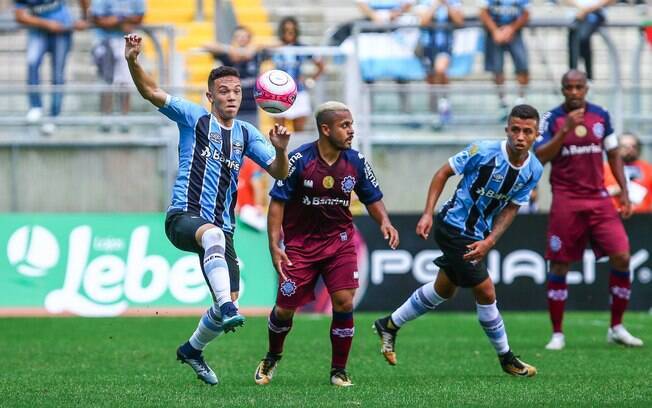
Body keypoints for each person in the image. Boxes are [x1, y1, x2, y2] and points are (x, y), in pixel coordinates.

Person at [124, 33, 291, 385]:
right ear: (210, 96)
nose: (231, 96)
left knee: (228, 297)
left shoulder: (246, 134)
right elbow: (151, 92)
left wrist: (279, 149)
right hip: (183, 217)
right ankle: (228, 310)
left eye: (236, 91)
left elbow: (279, 172)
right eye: (224, 91)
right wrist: (133, 60)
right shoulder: (193, 118)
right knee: (214, 244)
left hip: (223, 228)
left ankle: (192, 350)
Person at [374, 104, 543, 377]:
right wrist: (427, 212)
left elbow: (512, 207)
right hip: (453, 226)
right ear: (507, 129)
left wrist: (489, 240)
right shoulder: (484, 151)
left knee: (444, 289)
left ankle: (389, 324)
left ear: (536, 135)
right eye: (515, 130)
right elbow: (443, 173)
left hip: (477, 234)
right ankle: (506, 358)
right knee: (486, 291)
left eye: (527, 131)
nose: (520, 136)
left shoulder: (533, 169)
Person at [253, 101, 399, 387]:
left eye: (351, 125)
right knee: (284, 310)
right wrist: (274, 245)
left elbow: (372, 197)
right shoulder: (298, 161)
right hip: (300, 247)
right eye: (345, 126)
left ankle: (338, 370)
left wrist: (385, 221)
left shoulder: (355, 161)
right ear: (325, 129)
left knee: (344, 302)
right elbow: (277, 204)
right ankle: (272, 356)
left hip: (340, 243)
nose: (351, 131)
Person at [534, 70, 643, 350]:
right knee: (559, 263)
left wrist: (625, 192)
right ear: (562, 90)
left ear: (586, 88)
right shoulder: (552, 119)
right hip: (566, 200)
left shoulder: (601, 116)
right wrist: (563, 131)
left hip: (599, 199)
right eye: (568, 87)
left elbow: (614, 154)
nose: (574, 92)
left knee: (622, 256)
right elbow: (539, 157)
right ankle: (557, 333)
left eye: (578, 87)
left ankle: (616, 327)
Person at [14, 0, 90, 135]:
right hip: (38, 31)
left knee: (58, 74)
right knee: (32, 64)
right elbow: (20, 16)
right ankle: (36, 107)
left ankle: (53, 117)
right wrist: (47, 24)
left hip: (63, 29)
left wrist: (85, 18)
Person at [91, 0, 145, 133]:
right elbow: (99, 19)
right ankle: (106, 117)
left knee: (125, 82)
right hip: (104, 41)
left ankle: (124, 117)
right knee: (106, 82)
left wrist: (116, 20)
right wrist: (122, 20)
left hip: (126, 42)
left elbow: (139, 17)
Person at [203, 25, 266, 127]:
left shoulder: (256, 54)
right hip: (232, 108)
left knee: (252, 139)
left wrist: (254, 48)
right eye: (238, 36)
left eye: (244, 36)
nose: (241, 39)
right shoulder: (227, 55)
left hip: (251, 107)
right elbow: (206, 44)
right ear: (234, 39)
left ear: (249, 39)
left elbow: (276, 44)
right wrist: (229, 49)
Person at [478, 0, 530, 117]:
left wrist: (511, 29)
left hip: (515, 33)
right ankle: (503, 103)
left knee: (523, 66)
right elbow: (483, 12)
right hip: (494, 34)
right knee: (497, 69)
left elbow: (526, 13)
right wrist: (495, 31)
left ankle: (521, 102)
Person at [416, 0, 464, 124]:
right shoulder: (424, 2)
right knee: (431, 80)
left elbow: (459, 21)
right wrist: (436, 4)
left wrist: (446, 4)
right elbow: (423, 21)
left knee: (440, 69)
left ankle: (443, 104)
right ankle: (436, 112)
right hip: (427, 46)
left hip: (445, 46)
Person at [273, 16, 324, 132]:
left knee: (299, 131)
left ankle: (297, 151)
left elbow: (321, 65)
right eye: (286, 30)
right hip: (278, 92)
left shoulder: (302, 48)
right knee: (279, 131)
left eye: (292, 30)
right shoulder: (275, 48)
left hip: (299, 91)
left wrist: (310, 80)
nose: (289, 33)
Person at [603, 132, 652, 213]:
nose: (630, 149)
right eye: (625, 146)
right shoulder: (605, 169)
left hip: (643, 217)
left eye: (633, 146)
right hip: (614, 215)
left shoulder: (648, 169)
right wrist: (614, 190)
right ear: (617, 149)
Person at [567, 0, 615, 81]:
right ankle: (573, 74)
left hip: (595, 14)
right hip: (577, 16)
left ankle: (588, 76)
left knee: (583, 38)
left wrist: (587, 10)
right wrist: (581, 8)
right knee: (574, 43)